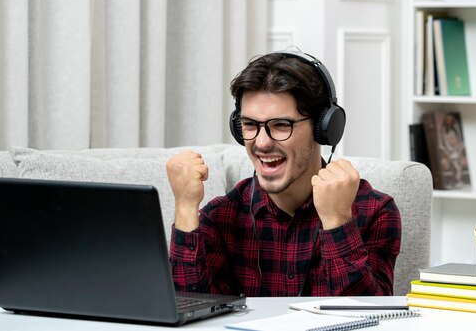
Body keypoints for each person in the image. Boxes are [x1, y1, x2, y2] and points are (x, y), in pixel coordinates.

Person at [166, 49, 401, 297]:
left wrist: (337, 222)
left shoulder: (374, 211)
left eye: (281, 125)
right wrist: (184, 208)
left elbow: (370, 318)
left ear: (323, 129)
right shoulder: (219, 218)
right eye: (250, 125)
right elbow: (189, 309)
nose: (262, 143)